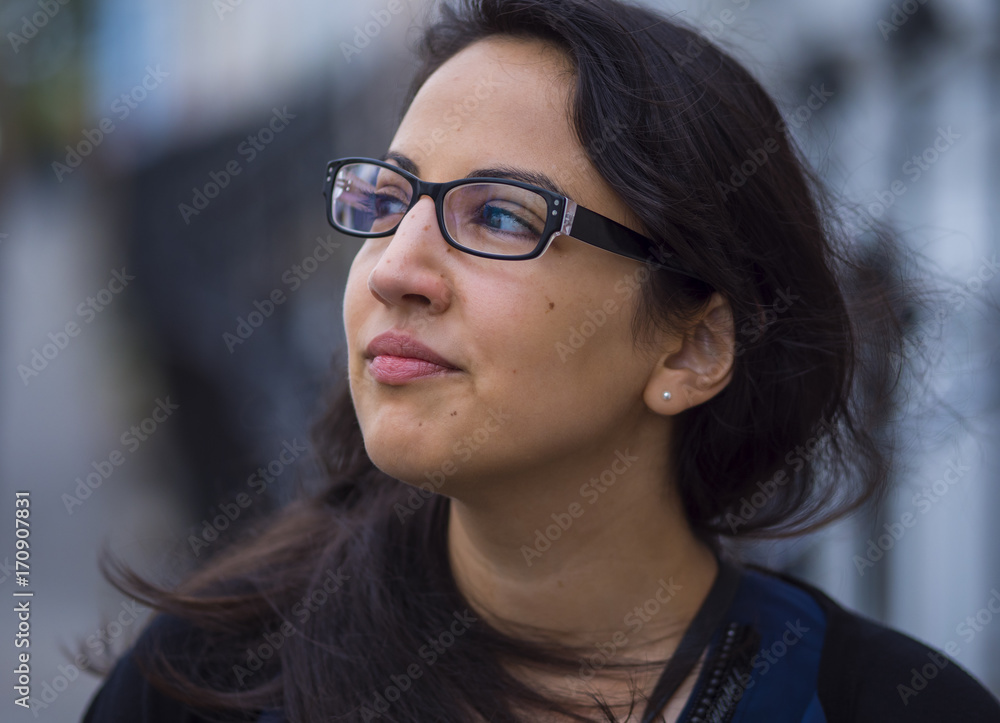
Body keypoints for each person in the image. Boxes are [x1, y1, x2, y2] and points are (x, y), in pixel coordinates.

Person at [81, 0, 1000, 721]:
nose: (397, 268)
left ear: (695, 341)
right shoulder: (204, 683)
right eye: (387, 200)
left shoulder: (885, 703)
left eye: (502, 216)